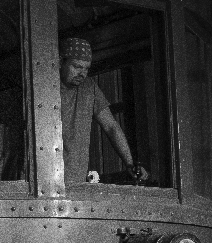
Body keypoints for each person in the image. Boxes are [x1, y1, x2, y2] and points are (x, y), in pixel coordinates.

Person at [58, 37, 149, 186]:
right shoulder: (46, 85)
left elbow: (111, 126)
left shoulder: (89, 88)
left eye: (86, 68)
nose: (82, 73)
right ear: (61, 62)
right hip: (44, 177)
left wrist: (129, 163)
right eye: (77, 66)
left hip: (75, 181)